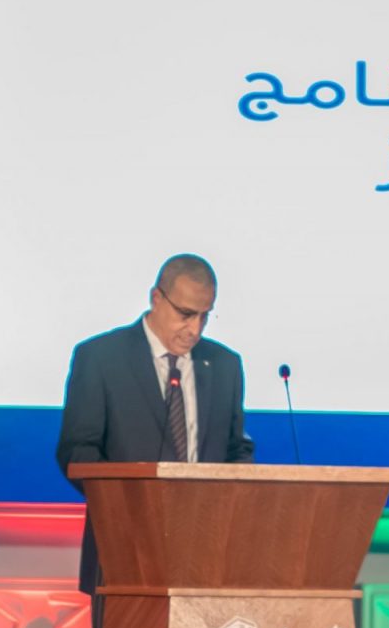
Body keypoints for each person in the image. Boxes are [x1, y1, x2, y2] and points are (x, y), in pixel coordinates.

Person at [55, 254, 256, 606]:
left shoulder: (225, 365)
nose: (195, 329)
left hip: (205, 555)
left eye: (205, 316)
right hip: (124, 551)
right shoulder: (101, 358)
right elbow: (78, 451)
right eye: (186, 314)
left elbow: (235, 449)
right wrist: (130, 504)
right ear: (156, 298)